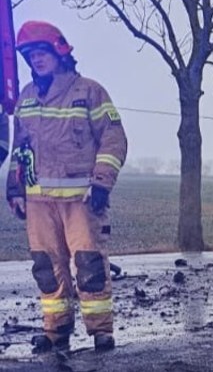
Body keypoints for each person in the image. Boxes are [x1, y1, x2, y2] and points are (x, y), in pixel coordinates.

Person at [5, 21, 126, 354]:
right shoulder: (27, 98)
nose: (36, 60)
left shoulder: (89, 91)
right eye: (30, 56)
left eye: (41, 53)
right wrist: (14, 189)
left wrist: (102, 182)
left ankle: (101, 331)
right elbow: (20, 148)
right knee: (46, 266)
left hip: (81, 200)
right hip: (38, 202)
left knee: (89, 264)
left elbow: (114, 140)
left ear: (59, 52)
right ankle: (56, 329)